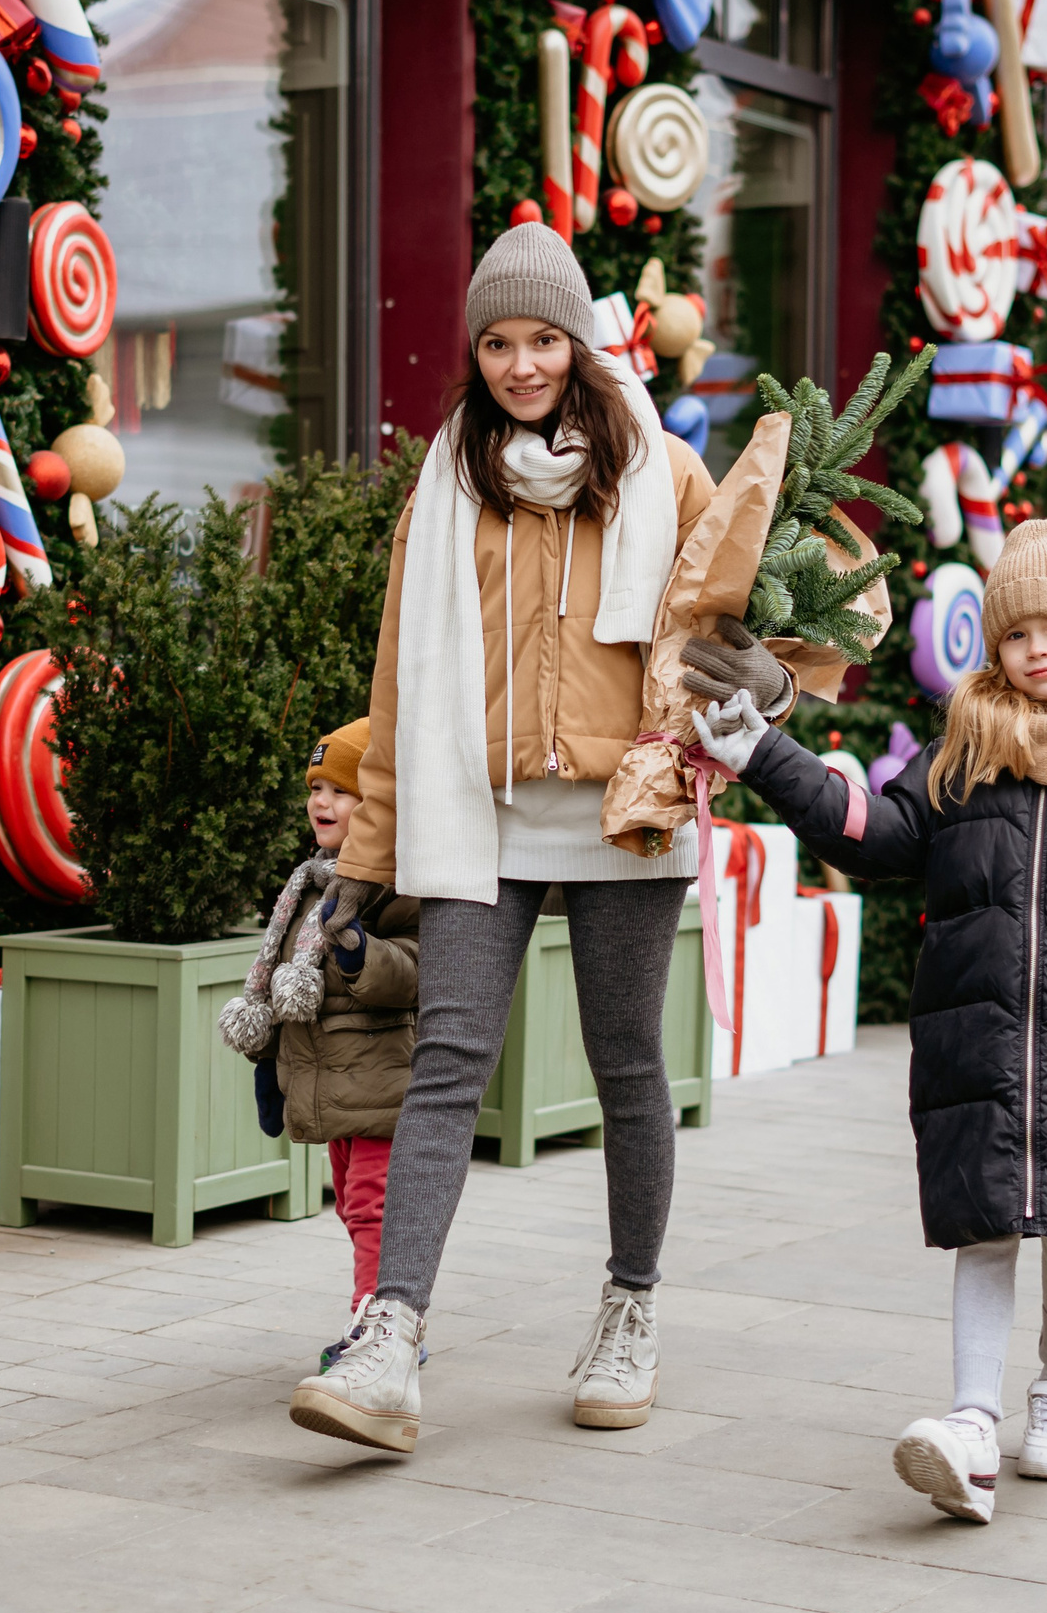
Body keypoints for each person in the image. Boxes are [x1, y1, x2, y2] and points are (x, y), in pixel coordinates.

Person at [688, 518, 1047, 1524]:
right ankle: (966, 1421)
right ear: (991, 647)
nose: (1037, 648)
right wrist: (766, 757)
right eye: (1015, 632)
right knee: (986, 1224)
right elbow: (877, 833)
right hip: (975, 1030)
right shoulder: (965, 747)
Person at [288, 223, 729, 1455]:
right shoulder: (448, 488)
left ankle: (630, 1308)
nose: (522, 365)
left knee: (625, 1061)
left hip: (623, 816)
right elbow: (397, 679)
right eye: (497, 342)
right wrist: (361, 868)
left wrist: (742, 716)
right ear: (473, 351)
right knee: (446, 1064)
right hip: (474, 817)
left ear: (580, 341)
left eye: (542, 339)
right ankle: (388, 1339)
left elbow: (726, 632)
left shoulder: (663, 472)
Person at [219, 719, 420, 1368]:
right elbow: (283, 972)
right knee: (351, 1198)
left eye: (342, 789)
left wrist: (362, 948)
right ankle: (381, 1305)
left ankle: (380, 1320)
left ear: (381, 802)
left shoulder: (400, 879)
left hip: (383, 1074)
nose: (321, 802)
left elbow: (420, 970)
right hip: (333, 1078)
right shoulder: (308, 882)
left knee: (371, 1202)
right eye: (315, 787)